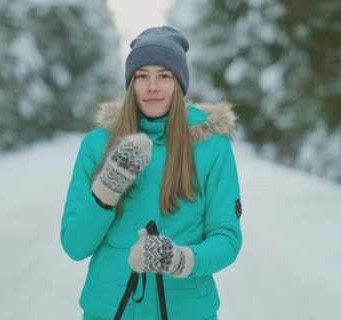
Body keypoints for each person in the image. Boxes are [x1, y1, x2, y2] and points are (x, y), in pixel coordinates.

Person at [60, 26, 242, 320]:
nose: (152, 87)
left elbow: (227, 238)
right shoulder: (97, 145)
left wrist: (181, 259)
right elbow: (75, 245)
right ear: (131, 83)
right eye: (142, 75)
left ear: (179, 83)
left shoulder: (212, 147)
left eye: (164, 76)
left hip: (187, 312)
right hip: (110, 310)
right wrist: (106, 192)